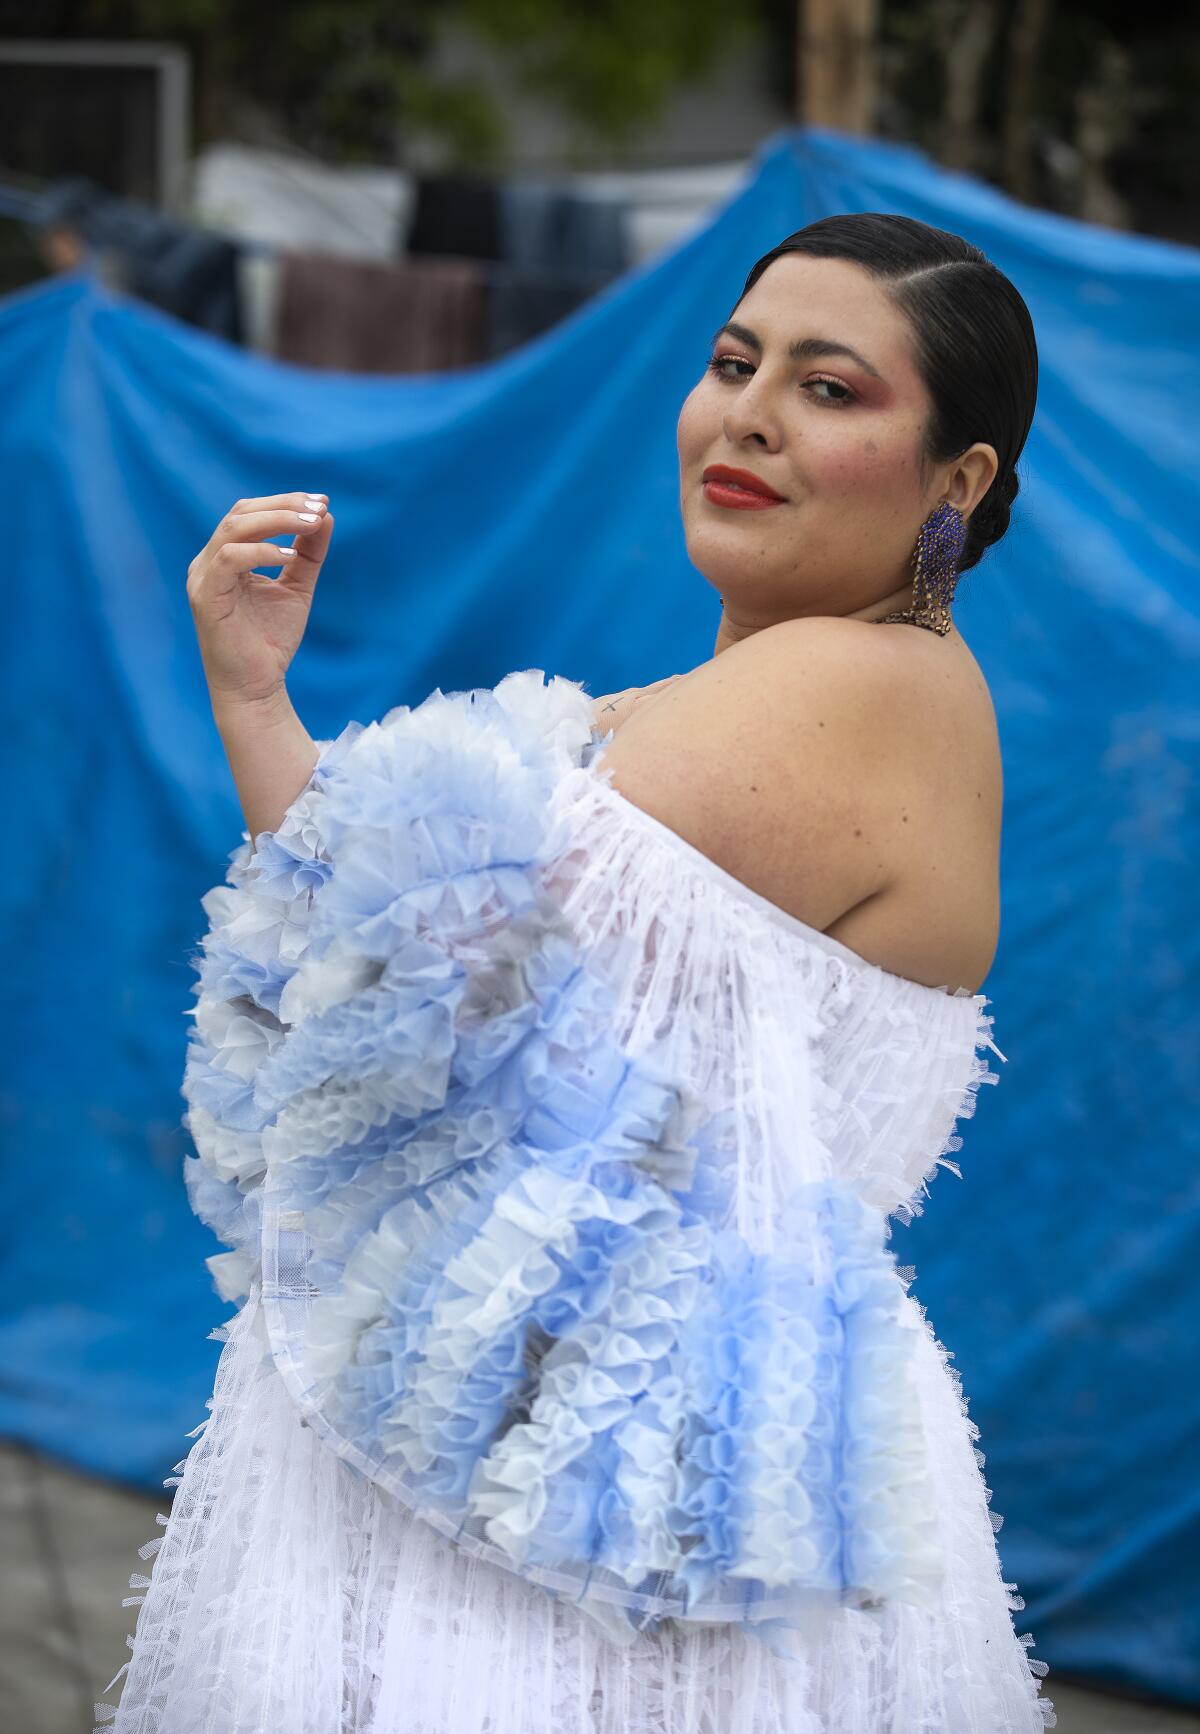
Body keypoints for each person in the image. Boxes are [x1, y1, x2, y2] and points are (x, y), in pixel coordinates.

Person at [96, 213, 1055, 1732]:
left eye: (830, 387)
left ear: (959, 482)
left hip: (612, 1526)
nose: (747, 411)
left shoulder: (861, 683)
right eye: (735, 362)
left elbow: (395, 951)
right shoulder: (758, 689)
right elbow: (406, 949)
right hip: (589, 1453)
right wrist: (255, 697)